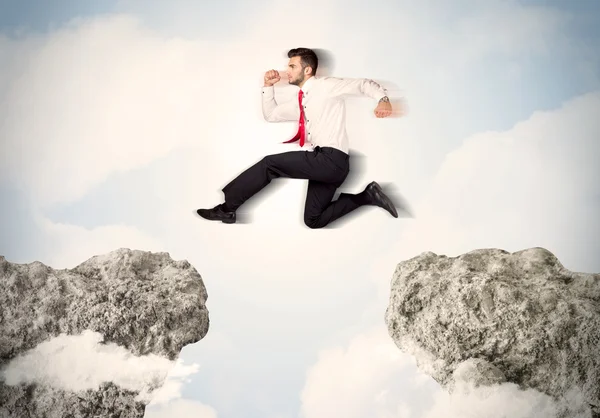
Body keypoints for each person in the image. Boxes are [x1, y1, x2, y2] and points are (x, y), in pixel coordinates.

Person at [196, 47, 401, 228]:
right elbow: (272, 115)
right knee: (313, 220)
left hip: (330, 159)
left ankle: (227, 209)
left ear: (307, 70)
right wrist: (268, 86)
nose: (287, 71)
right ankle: (368, 196)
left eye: (292, 66)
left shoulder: (326, 86)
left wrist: (383, 99)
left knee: (269, 165)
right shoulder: (302, 102)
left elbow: (363, 84)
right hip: (331, 167)